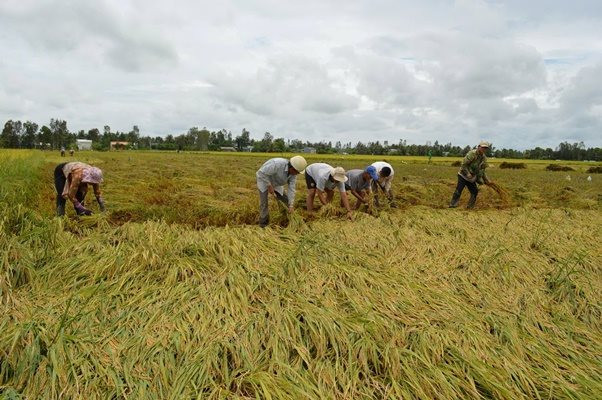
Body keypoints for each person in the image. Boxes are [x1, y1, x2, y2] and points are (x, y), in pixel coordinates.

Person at [256, 156, 307, 227]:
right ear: (292, 168)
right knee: (264, 203)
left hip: (277, 183)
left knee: (285, 201)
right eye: (297, 172)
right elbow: (260, 173)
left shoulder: (293, 175)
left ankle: (284, 220)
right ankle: (263, 224)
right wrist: (269, 185)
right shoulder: (277, 164)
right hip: (264, 180)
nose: (297, 174)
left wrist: (291, 205)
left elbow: (291, 189)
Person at [449, 141, 492, 209]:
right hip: (463, 175)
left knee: (474, 191)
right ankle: (452, 205)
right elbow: (464, 165)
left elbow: (482, 170)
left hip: (471, 177)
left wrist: (487, 180)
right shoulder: (472, 153)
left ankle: (470, 206)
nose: (484, 149)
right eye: (483, 147)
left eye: (485, 148)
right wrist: (467, 173)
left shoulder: (483, 158)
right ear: (479, 147)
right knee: (459, 189)